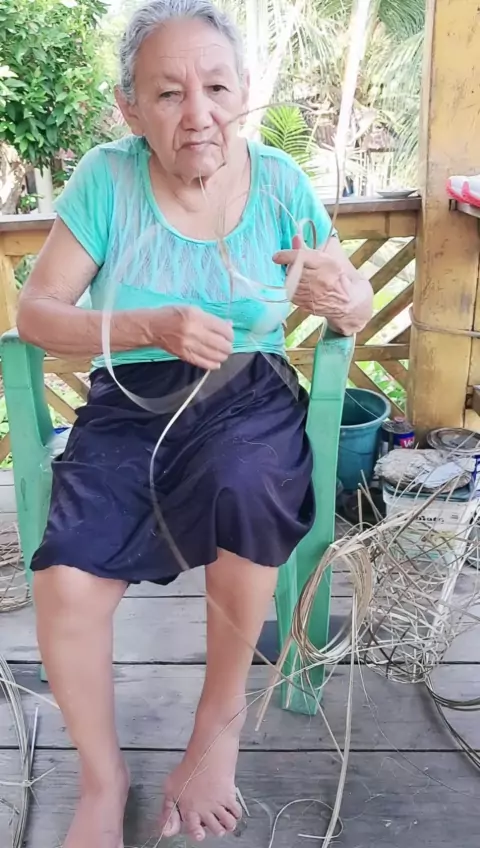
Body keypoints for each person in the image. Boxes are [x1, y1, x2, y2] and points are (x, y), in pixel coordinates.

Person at [17, 1, 373, 845]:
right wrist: (148, 324)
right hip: (129, 403)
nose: (198, 114)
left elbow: (352, 299)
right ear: (130, 107)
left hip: (249, 393)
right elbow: (36, 314)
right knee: (66, 577)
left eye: (216, 87)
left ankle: (216, 734)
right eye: (168, 93)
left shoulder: (278, 182)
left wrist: (346, 299)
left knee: (247, 486)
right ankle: (101, 780)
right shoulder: (107, 179)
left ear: (243, 91)